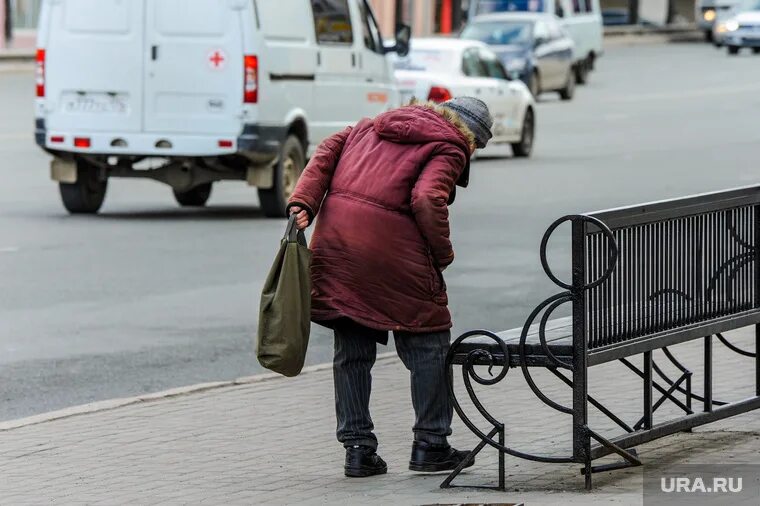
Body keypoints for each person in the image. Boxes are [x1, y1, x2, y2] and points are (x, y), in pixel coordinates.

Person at [286, 97, 493, 478]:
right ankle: (431, 445)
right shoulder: (450, 145)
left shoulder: (370, 125)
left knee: (352, 349)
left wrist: (305, 201)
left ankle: (358, 450)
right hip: (393, 253)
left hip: (337, 247)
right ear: (472, 138)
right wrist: (441, 252)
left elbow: (330, 147)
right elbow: (427, 198)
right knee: (428, 341)